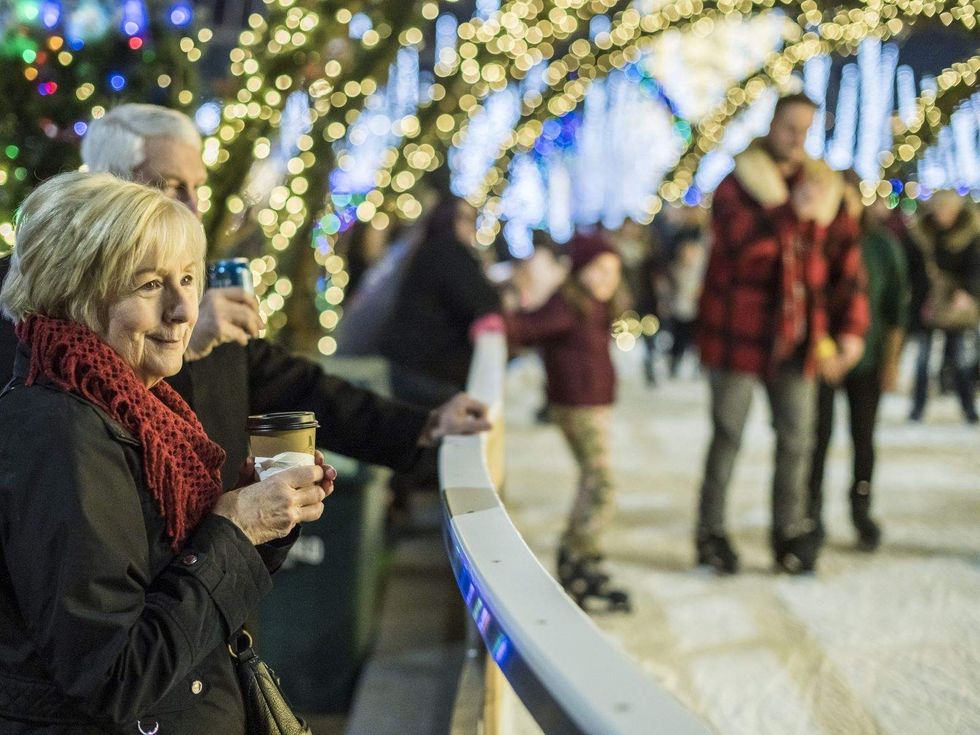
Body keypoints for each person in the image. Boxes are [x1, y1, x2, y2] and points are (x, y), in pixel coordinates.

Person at [0, 104, 491, 493]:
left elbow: (289, 383)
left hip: (215, 572)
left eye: (197, 186)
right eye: (169, 185)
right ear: (107, 184)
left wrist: (421, 427)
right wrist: (187, 344)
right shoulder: (28, 287)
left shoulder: (195, 283)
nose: (191, 204)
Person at [0, 172, 334, 733]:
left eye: (187, 278)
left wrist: (265, 518)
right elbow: (115, 675)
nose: (184, 310)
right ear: (75, 293)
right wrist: (234, 530)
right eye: (150, 285)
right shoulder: (61, 433)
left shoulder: (138, 410)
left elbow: (177, 595)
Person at [696, 93, 869, 575]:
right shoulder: (739, 185)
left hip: (800, 339)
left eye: (806, 130)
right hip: (739, 336)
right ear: (772, 124)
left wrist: (851, 331)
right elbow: (740, 253)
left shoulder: (826, 189)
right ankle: (711, 532)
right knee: (728, 435)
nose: (797, 139)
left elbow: (847, 270)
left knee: (798, 439)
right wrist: (791, 214)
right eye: (790, 127)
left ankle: (788, 531)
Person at [505, 232, 630, 612]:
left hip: (592, 402)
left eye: (614, 272)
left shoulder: (593, 304)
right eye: (600, 270)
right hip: (577, 404)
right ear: (581, 270)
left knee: (596, 478)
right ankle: (578, 554)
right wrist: (499, 323)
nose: (608, 279)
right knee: (601, 481)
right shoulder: (569, 305)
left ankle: (582, 554)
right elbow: (527, 328)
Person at [808, 174, 909, 552]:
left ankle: (861, 509)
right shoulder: (815, 241)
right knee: (815, 439)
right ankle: (811, 513)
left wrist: (891, 361)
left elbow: (896, 307)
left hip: (866, 361)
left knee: (863, 439)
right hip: (820, 360)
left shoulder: (882, 246)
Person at [907, 191, 979, 424]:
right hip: (927, 303)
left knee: (960, 359)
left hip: (954, 305)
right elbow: (912, 270)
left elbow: (976, 268)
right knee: (923, 359)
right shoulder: (921, 235)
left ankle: (968, 408)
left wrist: (968, 291)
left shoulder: (970, 236)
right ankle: (917, 408)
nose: (942, 215)